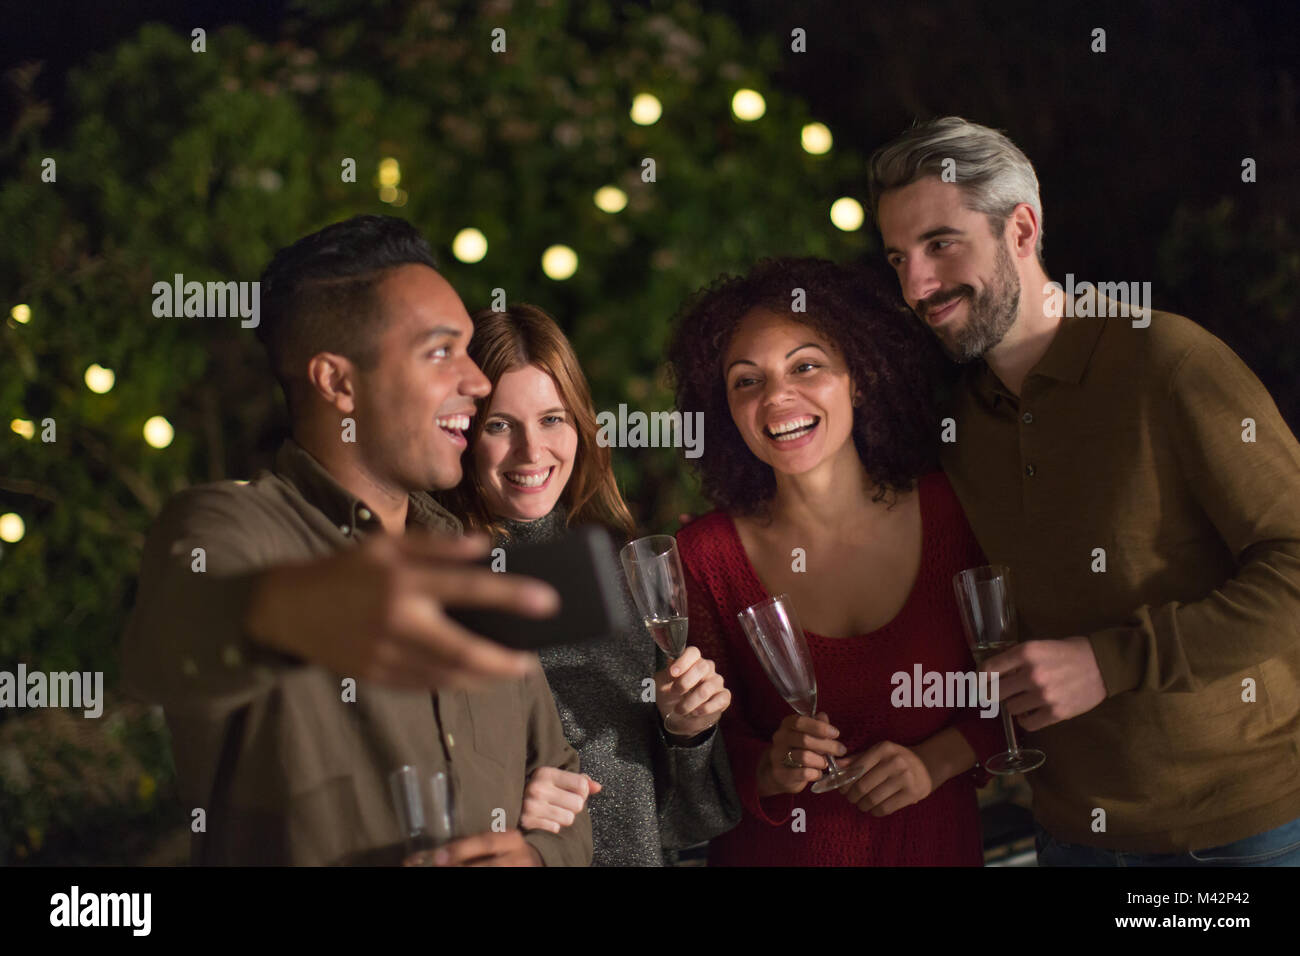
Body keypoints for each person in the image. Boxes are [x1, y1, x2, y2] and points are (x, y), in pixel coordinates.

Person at [869, 116, 1300, 866]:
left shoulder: (1167, 360)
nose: (917, 285)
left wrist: (1113, 661)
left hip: (1243, 831)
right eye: (898, 258)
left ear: (1023, 228)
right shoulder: (959, 420)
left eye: (941, 244)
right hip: (1070, 834)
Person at [122, 215, 591, 866]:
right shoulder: (228, 524)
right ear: (338, 382)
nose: (477, 382)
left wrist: (538, 854)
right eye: (440, 352)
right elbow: (169, 646)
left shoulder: (474, 557)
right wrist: (298, 607)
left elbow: (561, 776)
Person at [666, 257, 1004, 866]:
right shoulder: (704, 559)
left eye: (806, 366)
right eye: (747, 380)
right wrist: (770, 766)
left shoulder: (957, 512)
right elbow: (689, 762)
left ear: (860, 377)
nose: (777, 397)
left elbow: (1021, 694)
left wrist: (938, 761)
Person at [438, 303, 742, 865]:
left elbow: (684, 821)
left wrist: (688, 734)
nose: (533, 452)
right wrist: (496, 800)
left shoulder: (620, 566)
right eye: (500, 425)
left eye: (552, 419)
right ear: (463, 431)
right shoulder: (436, 580)